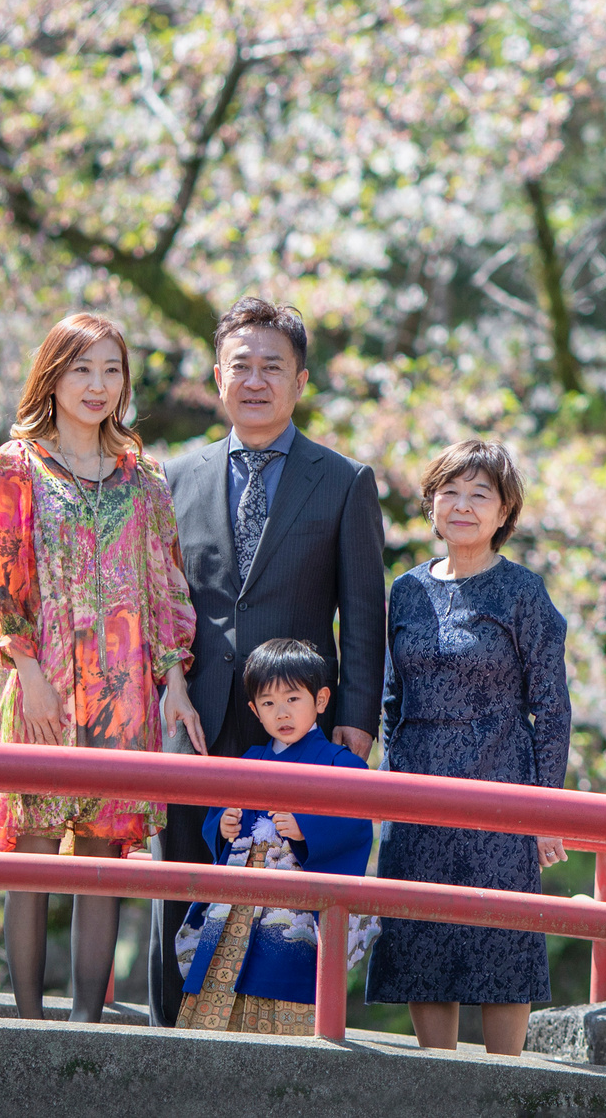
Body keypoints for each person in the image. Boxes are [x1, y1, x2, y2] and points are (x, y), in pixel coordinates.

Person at [150, 297, 389, 1027]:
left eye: (272, 367)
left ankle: (277, 1049)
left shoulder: (343, 479)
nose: (255, 381)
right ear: (217, 376)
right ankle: (169, 1034)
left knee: (289, 888)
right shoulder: (173, 476)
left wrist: (353, 718)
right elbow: (161, 598)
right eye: (241, 366)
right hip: (195, 715)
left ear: (301, 380)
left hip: (294, 725)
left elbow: (365, 608)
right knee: (185, 875)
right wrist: (171, 686)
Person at [0, 311, 201, 1023]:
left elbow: (166, 588)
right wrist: (28, 670)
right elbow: (5, 577)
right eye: (82, 369)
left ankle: (86, 1024)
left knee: (103, 853)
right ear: (53, 374)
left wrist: (177, 683)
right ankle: (26, 1020)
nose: (98, 385)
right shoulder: (16, 465)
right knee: (35, 847)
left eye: (112, 370)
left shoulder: (145, 479)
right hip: (42, 681)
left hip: (125, 692)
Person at [365, 439, 571, 1055]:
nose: (462, 505)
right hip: (418, 789)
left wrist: (547, 810)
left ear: (504, 512)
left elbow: (553, 707)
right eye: (449, 491)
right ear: (430, 504)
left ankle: (506, 1085)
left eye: (480, 494)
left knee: (501, 940)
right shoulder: (405, 591)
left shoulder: (522, 592)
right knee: (424, 938)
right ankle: (438, 1080)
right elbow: (390, 699)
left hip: (501, 786)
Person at [174, 638, 376, 1035]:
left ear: (320, 700)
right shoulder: (251, 760)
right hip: (240, 897)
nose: (281, 713)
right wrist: (223, 826)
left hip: (292, 905)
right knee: (219, 977)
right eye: (268, 703)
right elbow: (217, 819)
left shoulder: (341, 764)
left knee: (284, 975)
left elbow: (354, 826)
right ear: (254, 711)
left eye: (292, 699)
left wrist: (308, 829)